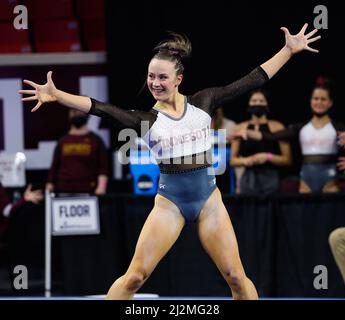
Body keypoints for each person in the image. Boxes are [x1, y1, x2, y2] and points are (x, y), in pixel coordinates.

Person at [19, 24, 320, 300]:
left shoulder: (204, 102)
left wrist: (288, 50)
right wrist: (58, 95)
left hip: (209, 202)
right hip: (170, 204)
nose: (155, 83)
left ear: (179, 79)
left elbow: (253, 79)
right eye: (151, 76)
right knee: (135, 277)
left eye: (162, 77)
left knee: (236, 278)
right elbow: (100, 108)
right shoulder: (147, 120)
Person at [235, 79, 345, 193]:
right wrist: (247, 132)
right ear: (311, 101)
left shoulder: (339, 127)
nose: (319, 102)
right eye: (316, 99)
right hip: (306, 179)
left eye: (323, 99)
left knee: (330, 210)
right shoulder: (301, 127)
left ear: (330, 102)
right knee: (307, 210)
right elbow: (270, 136)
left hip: (330, 178)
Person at [231, 89, 292, 194]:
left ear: (267, 104)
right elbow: (232, 161)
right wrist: (246, 160)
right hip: (248, 180)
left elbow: (287, 160)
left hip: (271, 179)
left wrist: (268, 156)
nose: (257, 103)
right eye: (254, 101)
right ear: (249, 103)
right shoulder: (240, 128)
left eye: (261, 101)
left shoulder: (277, 127)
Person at [46, 109, 109, 195]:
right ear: (69, 115)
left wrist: (101, 187)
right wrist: (49, 185)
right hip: (63, 191)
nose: (76, 113)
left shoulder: (96, 140)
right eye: (73, 111)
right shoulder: (63, 141)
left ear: (87, 114)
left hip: (88, 191)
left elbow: (103, 168)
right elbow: (54, 166)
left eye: (80, 110)